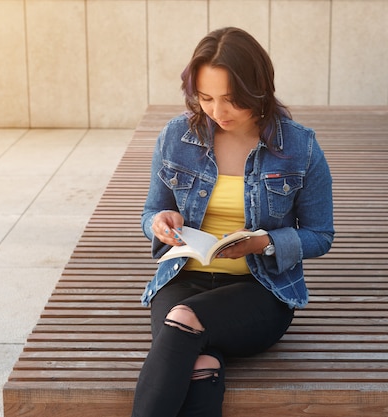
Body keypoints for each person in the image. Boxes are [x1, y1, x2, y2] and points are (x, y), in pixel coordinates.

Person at [131, 27, 334, 417]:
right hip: (183, 278)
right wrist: (160, 223)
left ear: (259, 90)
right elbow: (148, 215)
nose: (217, 112)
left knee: (184, 323)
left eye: (231, 100)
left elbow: (320, 235)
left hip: (258, 287)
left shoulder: (299, 147)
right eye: (205, 98)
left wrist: (264, 243)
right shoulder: (176, 137)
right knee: (199, 360)